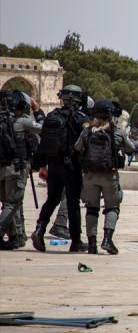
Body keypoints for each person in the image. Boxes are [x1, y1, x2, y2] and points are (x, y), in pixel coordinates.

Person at [31, 85, 89, 252]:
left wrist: (41, 165)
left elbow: (43, 143)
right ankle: (76, 241)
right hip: (72, 167)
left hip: (53, 166)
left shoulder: (52, 116)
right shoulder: (80, 118)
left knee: (52, 199)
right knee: (72, 203)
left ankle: (40, 229)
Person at [73, 100, 137, 254]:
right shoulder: (117, 132)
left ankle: (92, 244)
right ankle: (107, 240)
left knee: (91, 209)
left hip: (90, 176)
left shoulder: (88, 131)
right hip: (109, 176)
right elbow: (131, 148)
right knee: (112, 208)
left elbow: (77, 147)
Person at [0, 91, 42, 249]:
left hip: (1, 167)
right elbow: (44, 128)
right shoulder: (22, 122)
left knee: (6, 204)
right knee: (12, 204)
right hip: (15, 168)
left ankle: (14, 237)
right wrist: (37, 111)